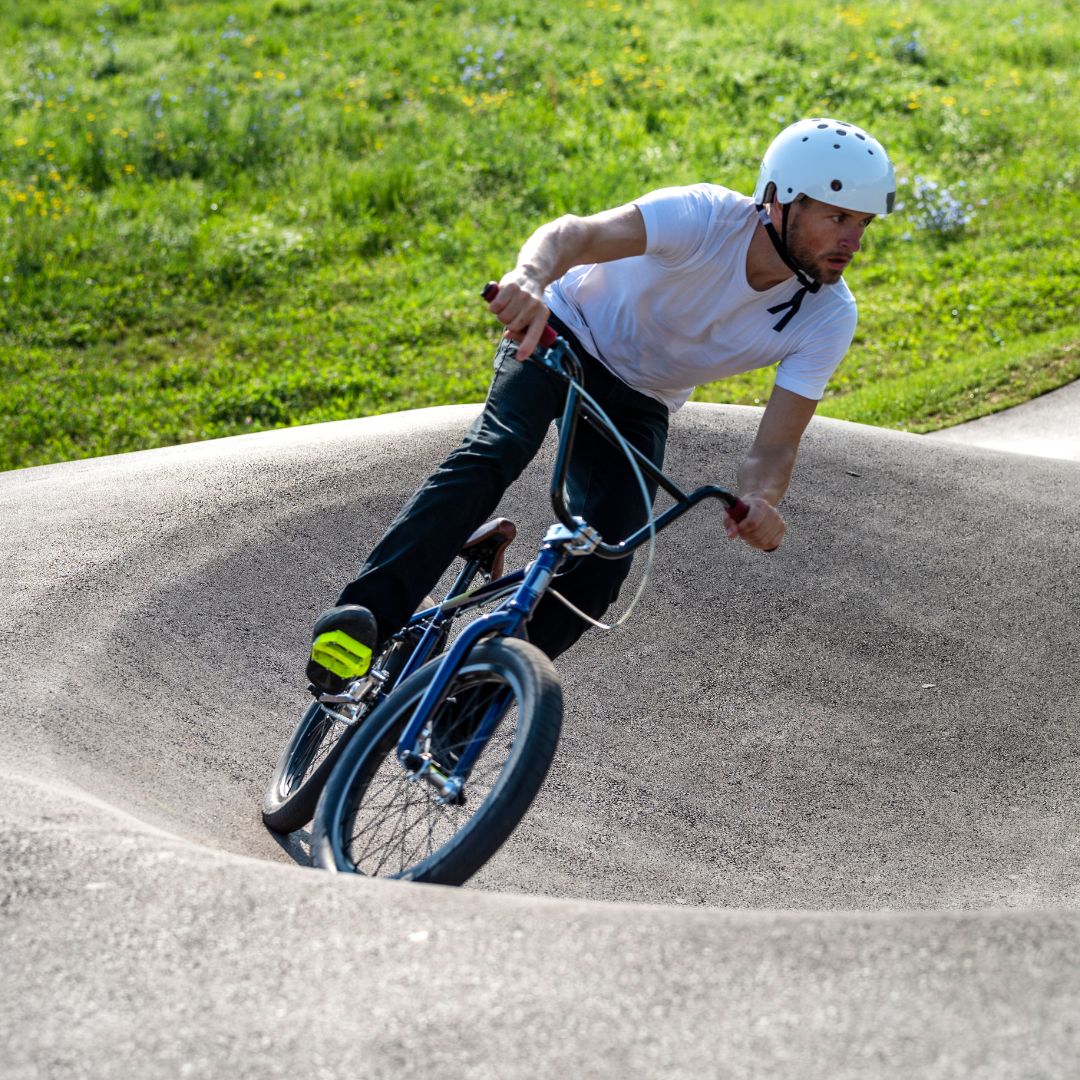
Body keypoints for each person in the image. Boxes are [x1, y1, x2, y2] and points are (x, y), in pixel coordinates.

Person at [306, 117, 896, 693]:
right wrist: (529, 279)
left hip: (640, 400)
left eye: (864, 223)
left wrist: (762, 501)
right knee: (498, 449)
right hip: (564, 335)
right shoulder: (704, 217)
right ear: (780, 200)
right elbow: (573, 235)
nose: (853, 241)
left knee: (606, 563)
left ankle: (462, 715)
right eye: (838, 218)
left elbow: (775, 447)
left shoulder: (829, 315)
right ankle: (361, 621)